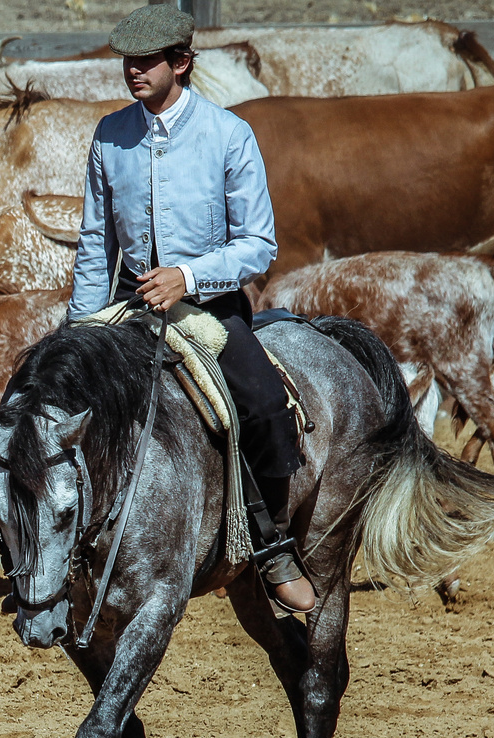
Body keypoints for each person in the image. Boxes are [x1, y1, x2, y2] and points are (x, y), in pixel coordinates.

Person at [70, 5, 316, 614]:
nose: (133, 71)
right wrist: (77, 334)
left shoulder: (229, 135)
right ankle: (60, 552)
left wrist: (188, 275)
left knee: (261, 405)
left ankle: (274, 543)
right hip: (129, 311)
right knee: (59, 410)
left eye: (146, 61)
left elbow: (259, 245)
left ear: (181, 64)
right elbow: (96, 245)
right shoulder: (110, 135)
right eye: (128, 61)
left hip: (211, 309)